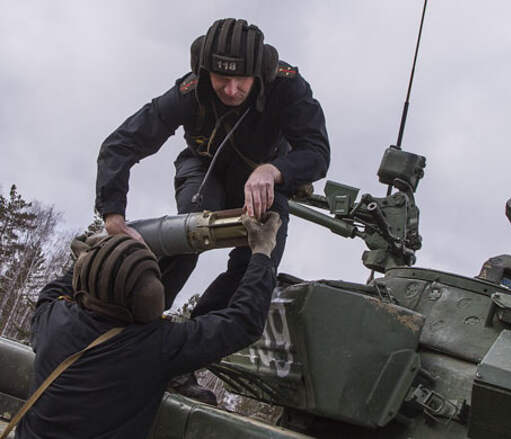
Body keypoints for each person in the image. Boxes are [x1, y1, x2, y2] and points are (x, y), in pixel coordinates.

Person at [95, 18, 330, 318]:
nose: (231, 90)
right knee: (189, 233)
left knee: (260, 258)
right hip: (205, 170)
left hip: (267, 182)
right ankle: (133, 318)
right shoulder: (191, 90)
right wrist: (113, 215)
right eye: (221, 78)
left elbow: (317, 152)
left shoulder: (286, 86)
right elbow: (122, 144)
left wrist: (272, 170)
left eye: (242, 80)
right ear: (205, 70)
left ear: (261, 71)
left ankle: (203, 335)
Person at [15, 213, 281, 439]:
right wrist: (262, 253)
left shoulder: (53, 319)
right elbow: (242, 322)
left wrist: (86, 261)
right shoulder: (155, 346)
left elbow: (51, 293)